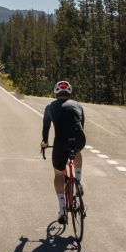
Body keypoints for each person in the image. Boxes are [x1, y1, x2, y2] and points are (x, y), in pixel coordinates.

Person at [41, 81, 86, 224]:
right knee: (77, 152)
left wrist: (45, 142)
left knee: (59, 174)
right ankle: (78, 180)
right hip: (79, 140)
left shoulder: (50, 106)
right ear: (69, 94)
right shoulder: (78, 105)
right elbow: (81, 126)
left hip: (60, 143)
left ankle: (62, 210)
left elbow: (46, 127)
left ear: (56, 93)